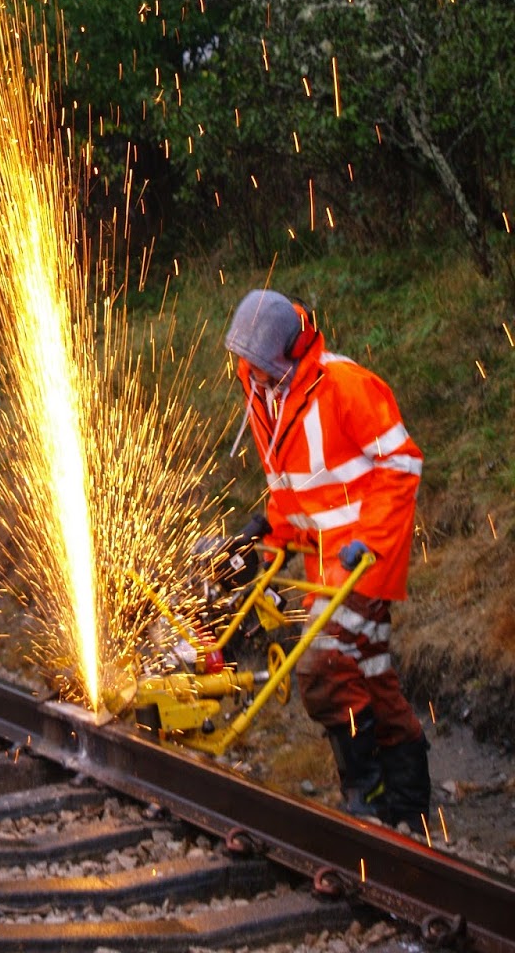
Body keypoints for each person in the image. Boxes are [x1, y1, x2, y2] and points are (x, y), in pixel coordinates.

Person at [225, 287, 430, 829]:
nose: (252, 373)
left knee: (322, 666)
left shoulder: (344, 386)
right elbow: (290, 486)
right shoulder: (264, 392)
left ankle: (366, 791)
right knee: (370, 668)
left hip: (367, 555)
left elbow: (402, 464)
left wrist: (372, 540)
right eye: (247, 364)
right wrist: (265, 537)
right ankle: (407, 799)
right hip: (326, 564)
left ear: (291, 352)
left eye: (262, 366)